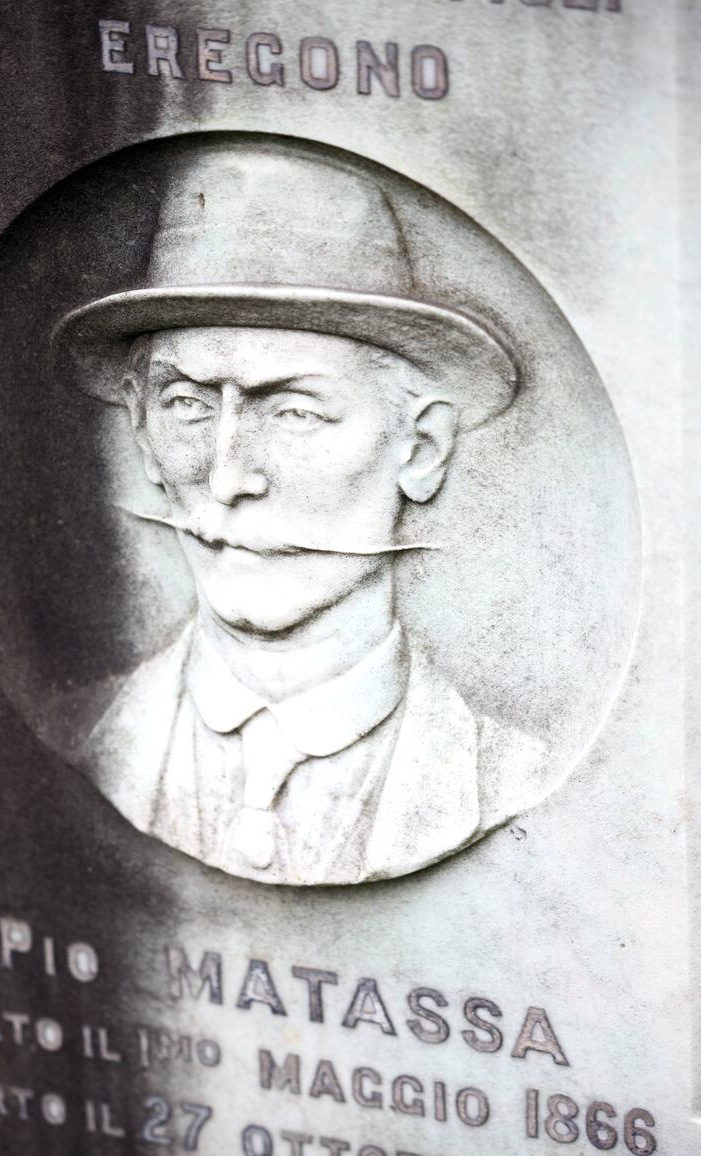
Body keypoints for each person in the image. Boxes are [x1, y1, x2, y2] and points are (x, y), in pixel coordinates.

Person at [52, 138, 545, 885]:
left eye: (294, 413)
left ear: (421, 448)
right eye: (185, 405)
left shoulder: (512, 779)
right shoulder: (80, 734)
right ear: (141, 434)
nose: (227, 478)